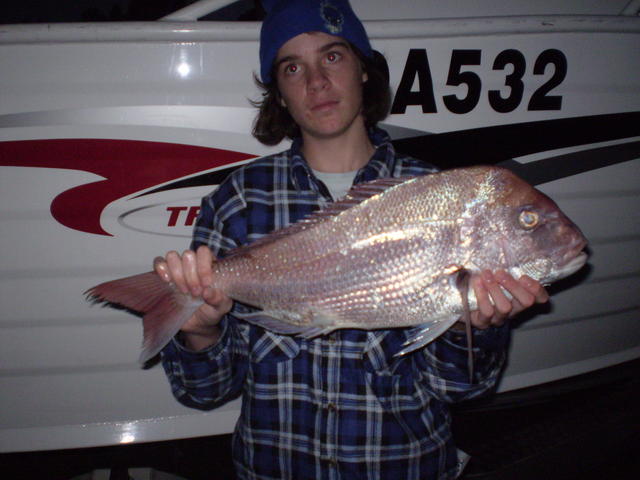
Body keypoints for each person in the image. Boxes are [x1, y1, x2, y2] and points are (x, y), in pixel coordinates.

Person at [155, 1, 549, 478]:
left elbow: (459, 390)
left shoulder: (434, 195)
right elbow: (203, 392)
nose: (316, 81)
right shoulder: (238, 200)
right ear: (278, 93)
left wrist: (480, 327)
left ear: (364, 70)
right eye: (293, 67)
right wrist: (199, 331)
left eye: (333, 57)